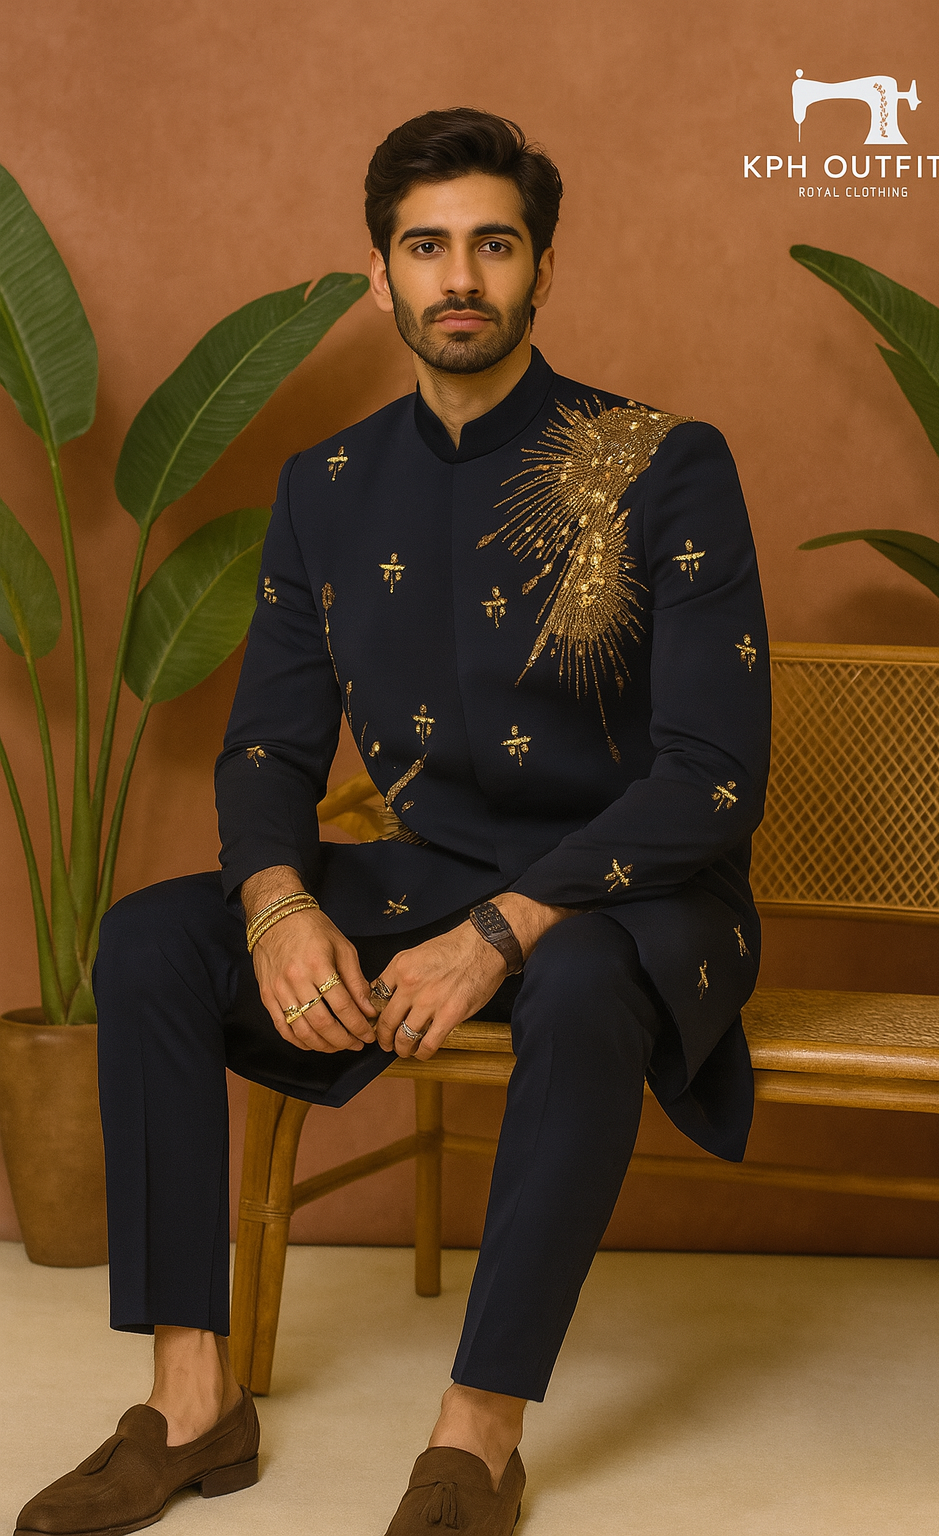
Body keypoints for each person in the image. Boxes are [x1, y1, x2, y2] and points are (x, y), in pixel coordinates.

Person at [16, 107, 771, 1536]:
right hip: (430, 875)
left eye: (494, 244)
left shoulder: (664, 463)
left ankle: (475, 1439)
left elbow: (714, 773)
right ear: (381, 275)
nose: (459, 277)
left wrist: (502, 931)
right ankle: (192, 1404)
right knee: (153, 942)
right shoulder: (326, 488)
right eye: (426, 247)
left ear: (543, 267)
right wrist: (278, 903)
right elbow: (267, 747)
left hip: (637, 898)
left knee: (583, 981)